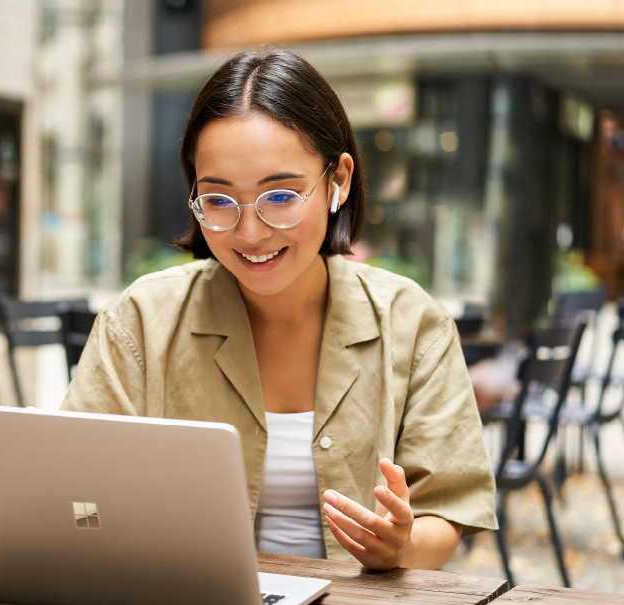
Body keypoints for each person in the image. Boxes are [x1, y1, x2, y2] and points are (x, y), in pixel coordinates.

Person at [61, 48, 497, 570]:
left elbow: (444, 513)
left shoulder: (413, 324)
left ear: (337, 181)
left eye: (280, 197)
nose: (249, 233)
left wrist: (400, 546)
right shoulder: (138, 323)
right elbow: (74, 500)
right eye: (219, 201)